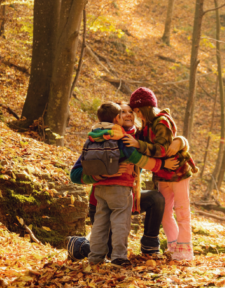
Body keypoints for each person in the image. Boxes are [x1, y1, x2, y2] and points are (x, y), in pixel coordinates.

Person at [67, 102, 185, 263]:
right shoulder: (107, 138)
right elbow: (75, 174)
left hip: (127, 196)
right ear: (116, 118)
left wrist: (181, 141)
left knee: (156, 198)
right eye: (123, 112)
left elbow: (161, 145)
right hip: (100, 201)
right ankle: (80, 246)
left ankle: (150, 247)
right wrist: (104, 174)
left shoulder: (139, 138)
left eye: (131, 111)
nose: (128, 114)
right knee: (107, 247)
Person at [124, 87, 198, 261]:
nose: (136, 115)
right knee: (165, 213)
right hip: (162, 174)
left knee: (182, 211)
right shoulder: (146, 126)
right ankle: (174, 246)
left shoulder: (162, 121)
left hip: (178, 172)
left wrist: (138, 145)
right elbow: (140, 145)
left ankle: (185, 251)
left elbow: (162, 150)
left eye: (137, 111)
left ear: (145, 108)